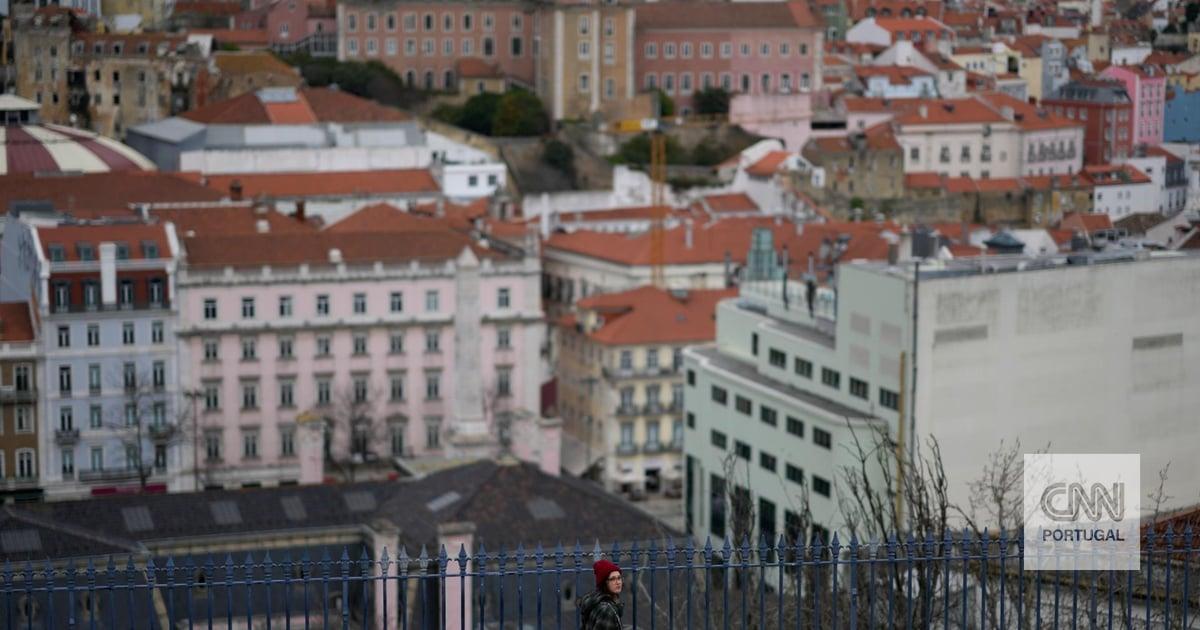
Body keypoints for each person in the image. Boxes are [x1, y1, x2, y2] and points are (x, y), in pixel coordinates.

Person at [578, 559, 624, 630]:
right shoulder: (606, 609)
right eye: (612, 579)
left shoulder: (596, 602)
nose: (618, 582)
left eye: (619, 578)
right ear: (604, 583)